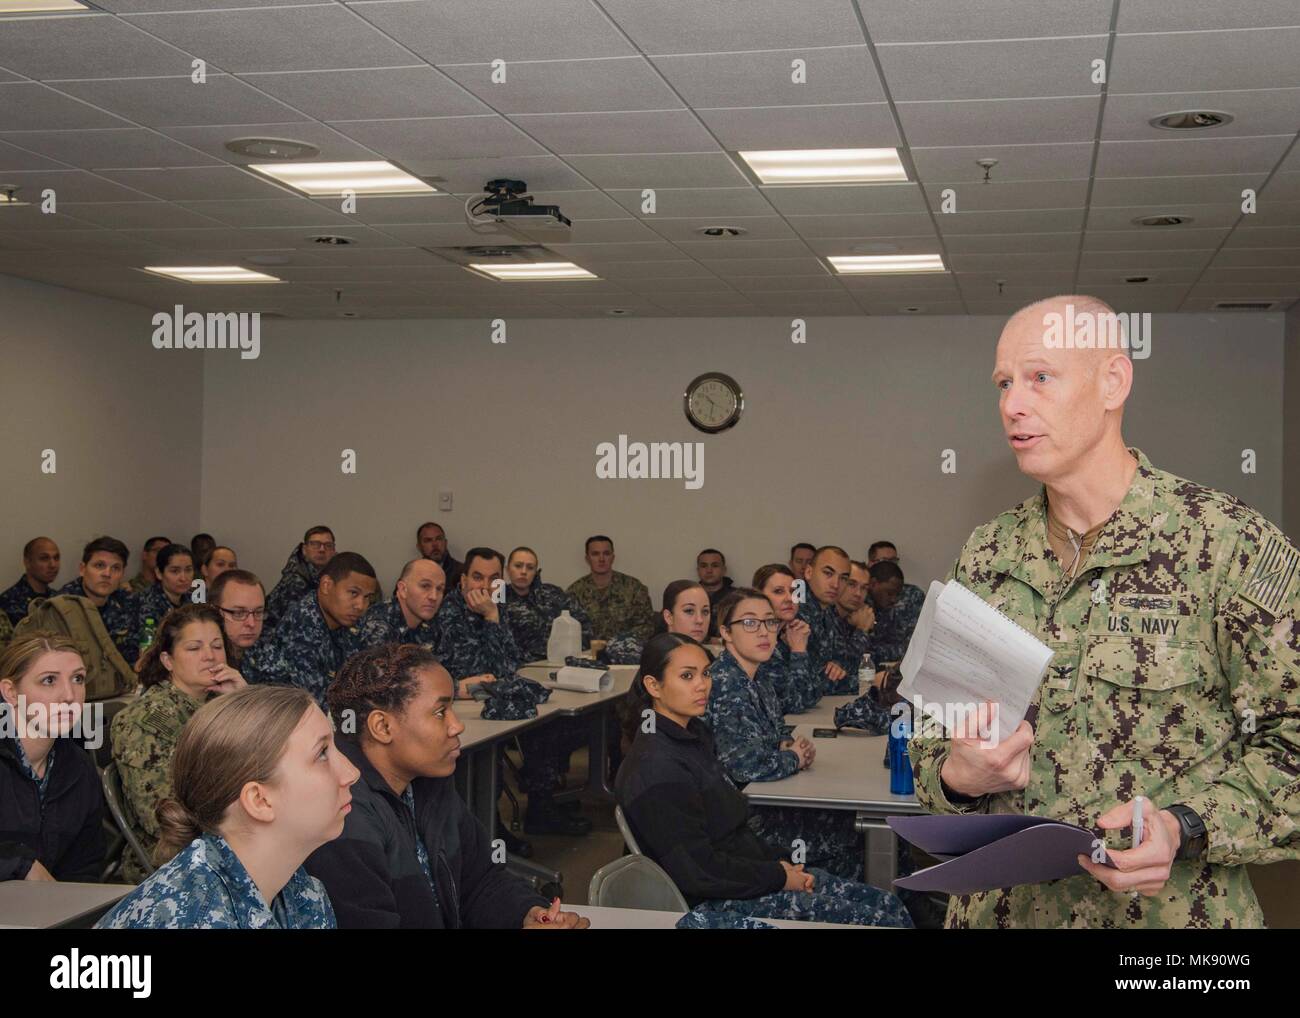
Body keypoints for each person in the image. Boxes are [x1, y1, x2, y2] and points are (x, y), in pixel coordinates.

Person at [909, 294, 1300, 929]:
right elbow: (928, 743)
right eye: (1003, 383)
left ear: (1113, 381)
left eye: (1039, 377)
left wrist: (1185, 826)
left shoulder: (1227, 546)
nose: (1012, 404)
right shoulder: (986, 556)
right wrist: (957, 775)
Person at [615, 632, 911, 927]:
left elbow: (731, 834)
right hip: (714, 903)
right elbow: (699, 871)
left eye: (705, 673)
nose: (702, 685)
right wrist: (780, 877)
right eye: (687, 676)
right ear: (653, 685)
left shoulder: (692, 736)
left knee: (890, 904)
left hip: (746, 873)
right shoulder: (656, 766)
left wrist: (782, 867)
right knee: (882, 921)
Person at [305, 643, 589, 929]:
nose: (457, 726)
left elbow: (481, 881)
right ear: (383, 727)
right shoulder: (344, 820)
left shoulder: (428, 782)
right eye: (441, 712)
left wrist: (526, 914)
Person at [98, 685, 355, 929]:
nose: (351, 773)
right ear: (259, 800)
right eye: (322, 753)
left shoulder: (302, 894)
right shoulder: (192, 919)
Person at [704, 589, 864, 880]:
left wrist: (785, 743)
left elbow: (772, 731)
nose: (764, 632)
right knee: (854, 833)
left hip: (760, 803)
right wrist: (793, 757)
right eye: (750, 623)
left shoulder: (756, 675)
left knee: (858, 822)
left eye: (770, 622)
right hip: (744, 822)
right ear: (726, 632)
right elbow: (743, 765)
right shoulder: (728, 684)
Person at [437, 548, 590, 837]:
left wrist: (493, 616)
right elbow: (473, 672)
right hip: (458, 707)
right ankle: (490, 828)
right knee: (486, 754)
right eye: (478, 577)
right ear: (463, 580)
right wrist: (491, 618)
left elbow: (508, 666)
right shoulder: (448, 612)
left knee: (546, 727)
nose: (485, 586)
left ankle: (540, 810)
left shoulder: (496, 607)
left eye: (494, 578)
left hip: (488, 699)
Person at [111, 603, 247, 882]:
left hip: (232, 839)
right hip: (176, 864)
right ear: (168, 661)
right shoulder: (145, 720)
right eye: (194, 648)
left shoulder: (218, 705)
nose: (210, 657)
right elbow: (161, 821)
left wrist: (242, 703)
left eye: (217, 646)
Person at [0, 635, 104, 882]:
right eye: (49, 680)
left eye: (78, 679)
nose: (69, 695)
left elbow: (85, 867)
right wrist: (19, 864)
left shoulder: (78, 767)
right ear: (11, 692)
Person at [244, 552, 377, 708]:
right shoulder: (303, 624)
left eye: (367, 597)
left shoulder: (344, 620)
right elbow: (316, 704)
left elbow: (357, 681)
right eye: (353, 593)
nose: (360, 605)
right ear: (326, 585)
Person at [795, 545, 872, 696]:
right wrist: (872, 682)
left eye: (843, 578)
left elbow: (843, 664)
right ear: (809, 572)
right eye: (828, 573)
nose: (836, 585)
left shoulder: (827, 612)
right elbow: (817, 683)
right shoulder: (797, 612)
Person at [58, 537, 140, 665]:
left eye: (116, 568)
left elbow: (136, 654)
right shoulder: (63, 606)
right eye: (99, 565)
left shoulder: (127, 601)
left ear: (122, 574)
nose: (107, 574)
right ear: (82, 569)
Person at [500, 546, 591, 660]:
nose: (523, 572)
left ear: (536, 571)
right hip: (517, 665)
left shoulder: (553, 594)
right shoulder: (499, 598)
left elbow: (583, 625)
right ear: (507, 569)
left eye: (530, 567)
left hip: (558, 662)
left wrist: (571, 654)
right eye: (518, 566)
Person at [752, 564, 818, 712]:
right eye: (778, 591)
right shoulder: (756, 639)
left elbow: (815, 693)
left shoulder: (786, 636)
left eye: (794, 591)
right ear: (758, 596)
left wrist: (796, 648)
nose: (789, 598)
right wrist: (798, 651)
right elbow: (797, 703)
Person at [565, 536, 653, 645]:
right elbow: (568, 631)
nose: (601, 559)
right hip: (586, 655)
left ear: (613, 557)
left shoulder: (634, 588)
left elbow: (646, 626)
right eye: (595, 554)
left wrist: (618, 644)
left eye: (606, 553)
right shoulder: (574, 592)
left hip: (625, 654)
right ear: (587, 559)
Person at [604, 579, 712, 665]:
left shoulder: (710, 660)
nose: (700, 620)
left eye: (705, 611)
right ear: (669, 617)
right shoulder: (650, 658)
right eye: (689, 611)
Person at [358, 558, 445, 650]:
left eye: (439, 589)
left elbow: (446, 661)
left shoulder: (435, 621)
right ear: (403, 589)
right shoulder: (378, 622)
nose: (434, 597)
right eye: (425, 586)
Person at [265, 525, 335, 631]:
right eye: (315, 544)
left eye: (328, 545)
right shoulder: (294, 581)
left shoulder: (338, 576)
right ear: (304, 549)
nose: (322, 549)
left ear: (334, 550)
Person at [863, 560, 922, 665]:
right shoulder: (858, 605)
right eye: (889, 593)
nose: (894, 599)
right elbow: (863, 652)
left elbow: (913, 646)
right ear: (873, 583)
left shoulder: (889, 608)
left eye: (897, 594)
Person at [210, 569, 266, 668]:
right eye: (239, 613)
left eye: (258, 612)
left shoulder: (269, 652)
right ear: (214, 612)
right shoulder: (205, 660)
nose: (251, 623)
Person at [136, 543, 195, 634]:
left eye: (188, 570)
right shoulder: (146, 603)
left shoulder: (193, 600)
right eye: (175, 571)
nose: (183, 578)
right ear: (159, 573)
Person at [1, 537, 60, 625]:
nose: (53, 564)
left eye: (56, 558)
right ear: (27, 562)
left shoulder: (58, 599)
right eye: (44, 558)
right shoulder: (8, 601)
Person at [696, 548, 732, 639]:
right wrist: (708, 640)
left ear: (724, 570)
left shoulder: (737, 597)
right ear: (698, 570)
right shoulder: (685, 596)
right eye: (704, 566)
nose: (709, 570)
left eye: (715, 565)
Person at [416, 521, 464, 589]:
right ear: (419, 547)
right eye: (428, 540)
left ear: (445, 543)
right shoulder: (413, 573)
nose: (435, 544)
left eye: (439, 539)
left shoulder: (462, 572)